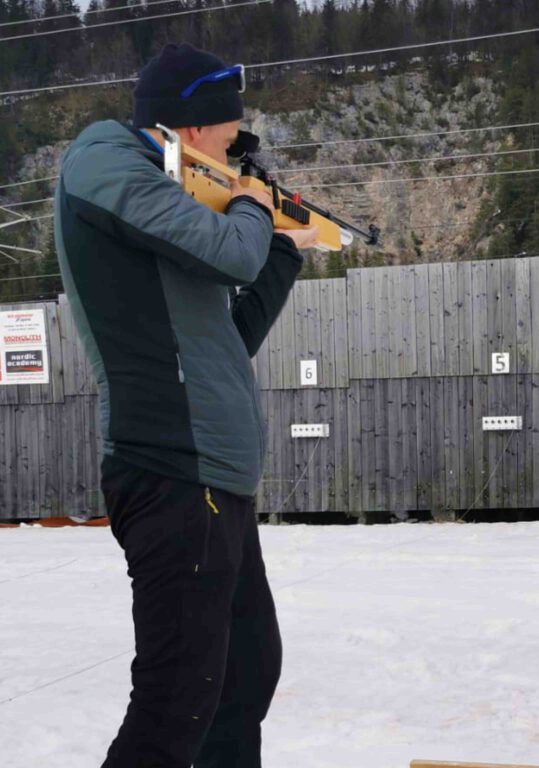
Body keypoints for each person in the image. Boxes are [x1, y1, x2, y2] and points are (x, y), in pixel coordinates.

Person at [54, 42, 318, 767]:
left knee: (242, 675)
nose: (237, 150)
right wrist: (249, 207)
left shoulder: (176, 227)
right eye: (231, 136)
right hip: (171, 467)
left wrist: (284, 249)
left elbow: (228, 342)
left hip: (216, 475)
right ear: (194, 129)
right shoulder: (107, 165)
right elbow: (234, 251)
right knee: (178, 697)